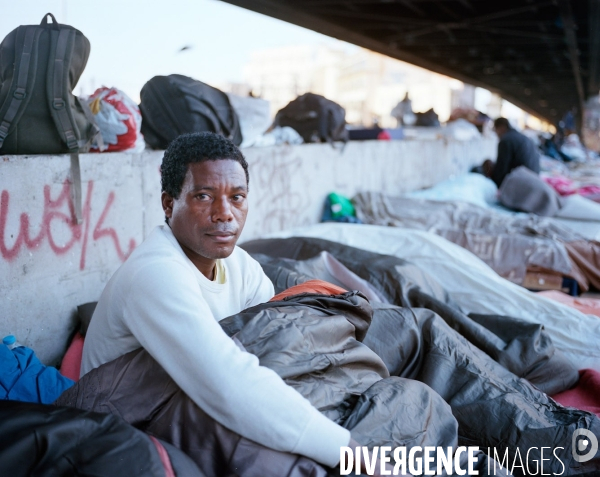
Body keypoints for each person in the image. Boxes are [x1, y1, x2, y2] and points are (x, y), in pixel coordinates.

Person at [81, 132, 388, 474]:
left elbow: (277, 352)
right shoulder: (154, 274)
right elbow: (228, 383)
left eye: (237, 197)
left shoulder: (240, 266)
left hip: (195, 401)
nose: (224, 213)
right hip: (125, 426)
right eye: (203, 196)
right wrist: (351, 452)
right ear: (169, 204)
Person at [487, 117, 540, 187]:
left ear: (501, 127)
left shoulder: (506, 140)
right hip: (534, 180)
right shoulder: (521, 137)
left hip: (523, 184)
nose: (496, 134)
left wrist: (493, 182)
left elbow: (501, 169)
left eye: (495, 130)